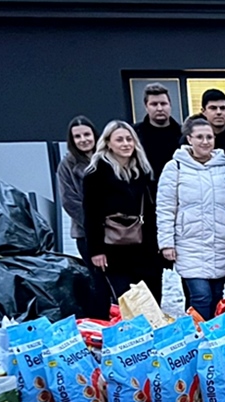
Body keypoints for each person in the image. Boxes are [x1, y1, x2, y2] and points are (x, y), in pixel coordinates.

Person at [155, 117, 225, 320]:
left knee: (217, 296)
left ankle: (214, 340)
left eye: (209, 137)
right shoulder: (175, 167)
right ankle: (199, 337)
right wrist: (166, 243)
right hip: (189, 243)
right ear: (189, 139)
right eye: (200, 137)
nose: (205, 141)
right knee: (201, 295)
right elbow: (165, 208)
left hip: (220, 242)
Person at [82, 120, 163, 302]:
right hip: (113, 248)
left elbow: (153, 210)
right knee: (125, 301)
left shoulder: (144, 171)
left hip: (145, 248)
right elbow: (91, 214)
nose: (126, 144)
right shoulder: (95, 174)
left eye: (129, 139)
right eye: (119, 140)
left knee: (152, 301)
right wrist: (96, 250)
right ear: (108, 143)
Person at [56, 115, 98, 263]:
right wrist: (96, 226)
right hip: (86, 234)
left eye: (87, 134)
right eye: (77, 136)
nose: (83, 139)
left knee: (129, 280)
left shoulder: (108, 158)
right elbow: (69, 202)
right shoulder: (66, 165)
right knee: (99, 279)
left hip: (119, 233)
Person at [133, 83, 181, 182]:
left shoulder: (183, 133)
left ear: (170, 105)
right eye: (154, 104)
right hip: (145, 190)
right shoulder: (134, 134)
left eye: (163, 104)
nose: (159, 108)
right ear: (146, 107)